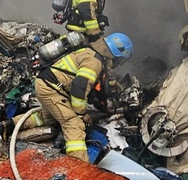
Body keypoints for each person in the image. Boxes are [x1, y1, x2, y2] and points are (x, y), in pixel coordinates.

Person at [30, 31, 134, 160]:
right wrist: (81, 113)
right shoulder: (94, 61)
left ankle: (9, 124)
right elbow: (80, 86)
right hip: (52, 89)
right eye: (121, 59)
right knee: (73, 123)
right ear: (117, 55)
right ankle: (78, 165)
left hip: (46, 84)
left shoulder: (90, 52)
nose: (119, 63)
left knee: (48, 119)